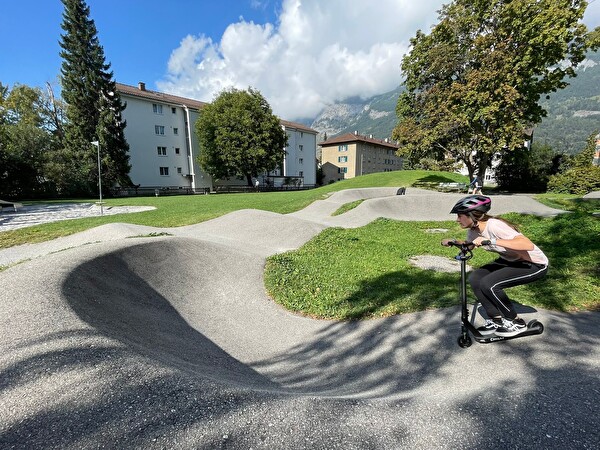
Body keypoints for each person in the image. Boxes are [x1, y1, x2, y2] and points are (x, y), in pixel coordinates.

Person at [441, 195, 549, 336]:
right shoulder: (474, 230)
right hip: (510, 260)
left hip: (533, 264)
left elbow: (526, 245)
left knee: (489, 283)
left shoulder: (494, 225)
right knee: (476, 278)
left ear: (472, 215)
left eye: (460, 216)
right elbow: (470, 245)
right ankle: (496, 320)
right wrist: (454, 242)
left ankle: (516, 322)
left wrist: (491, 241)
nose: (457, 219)